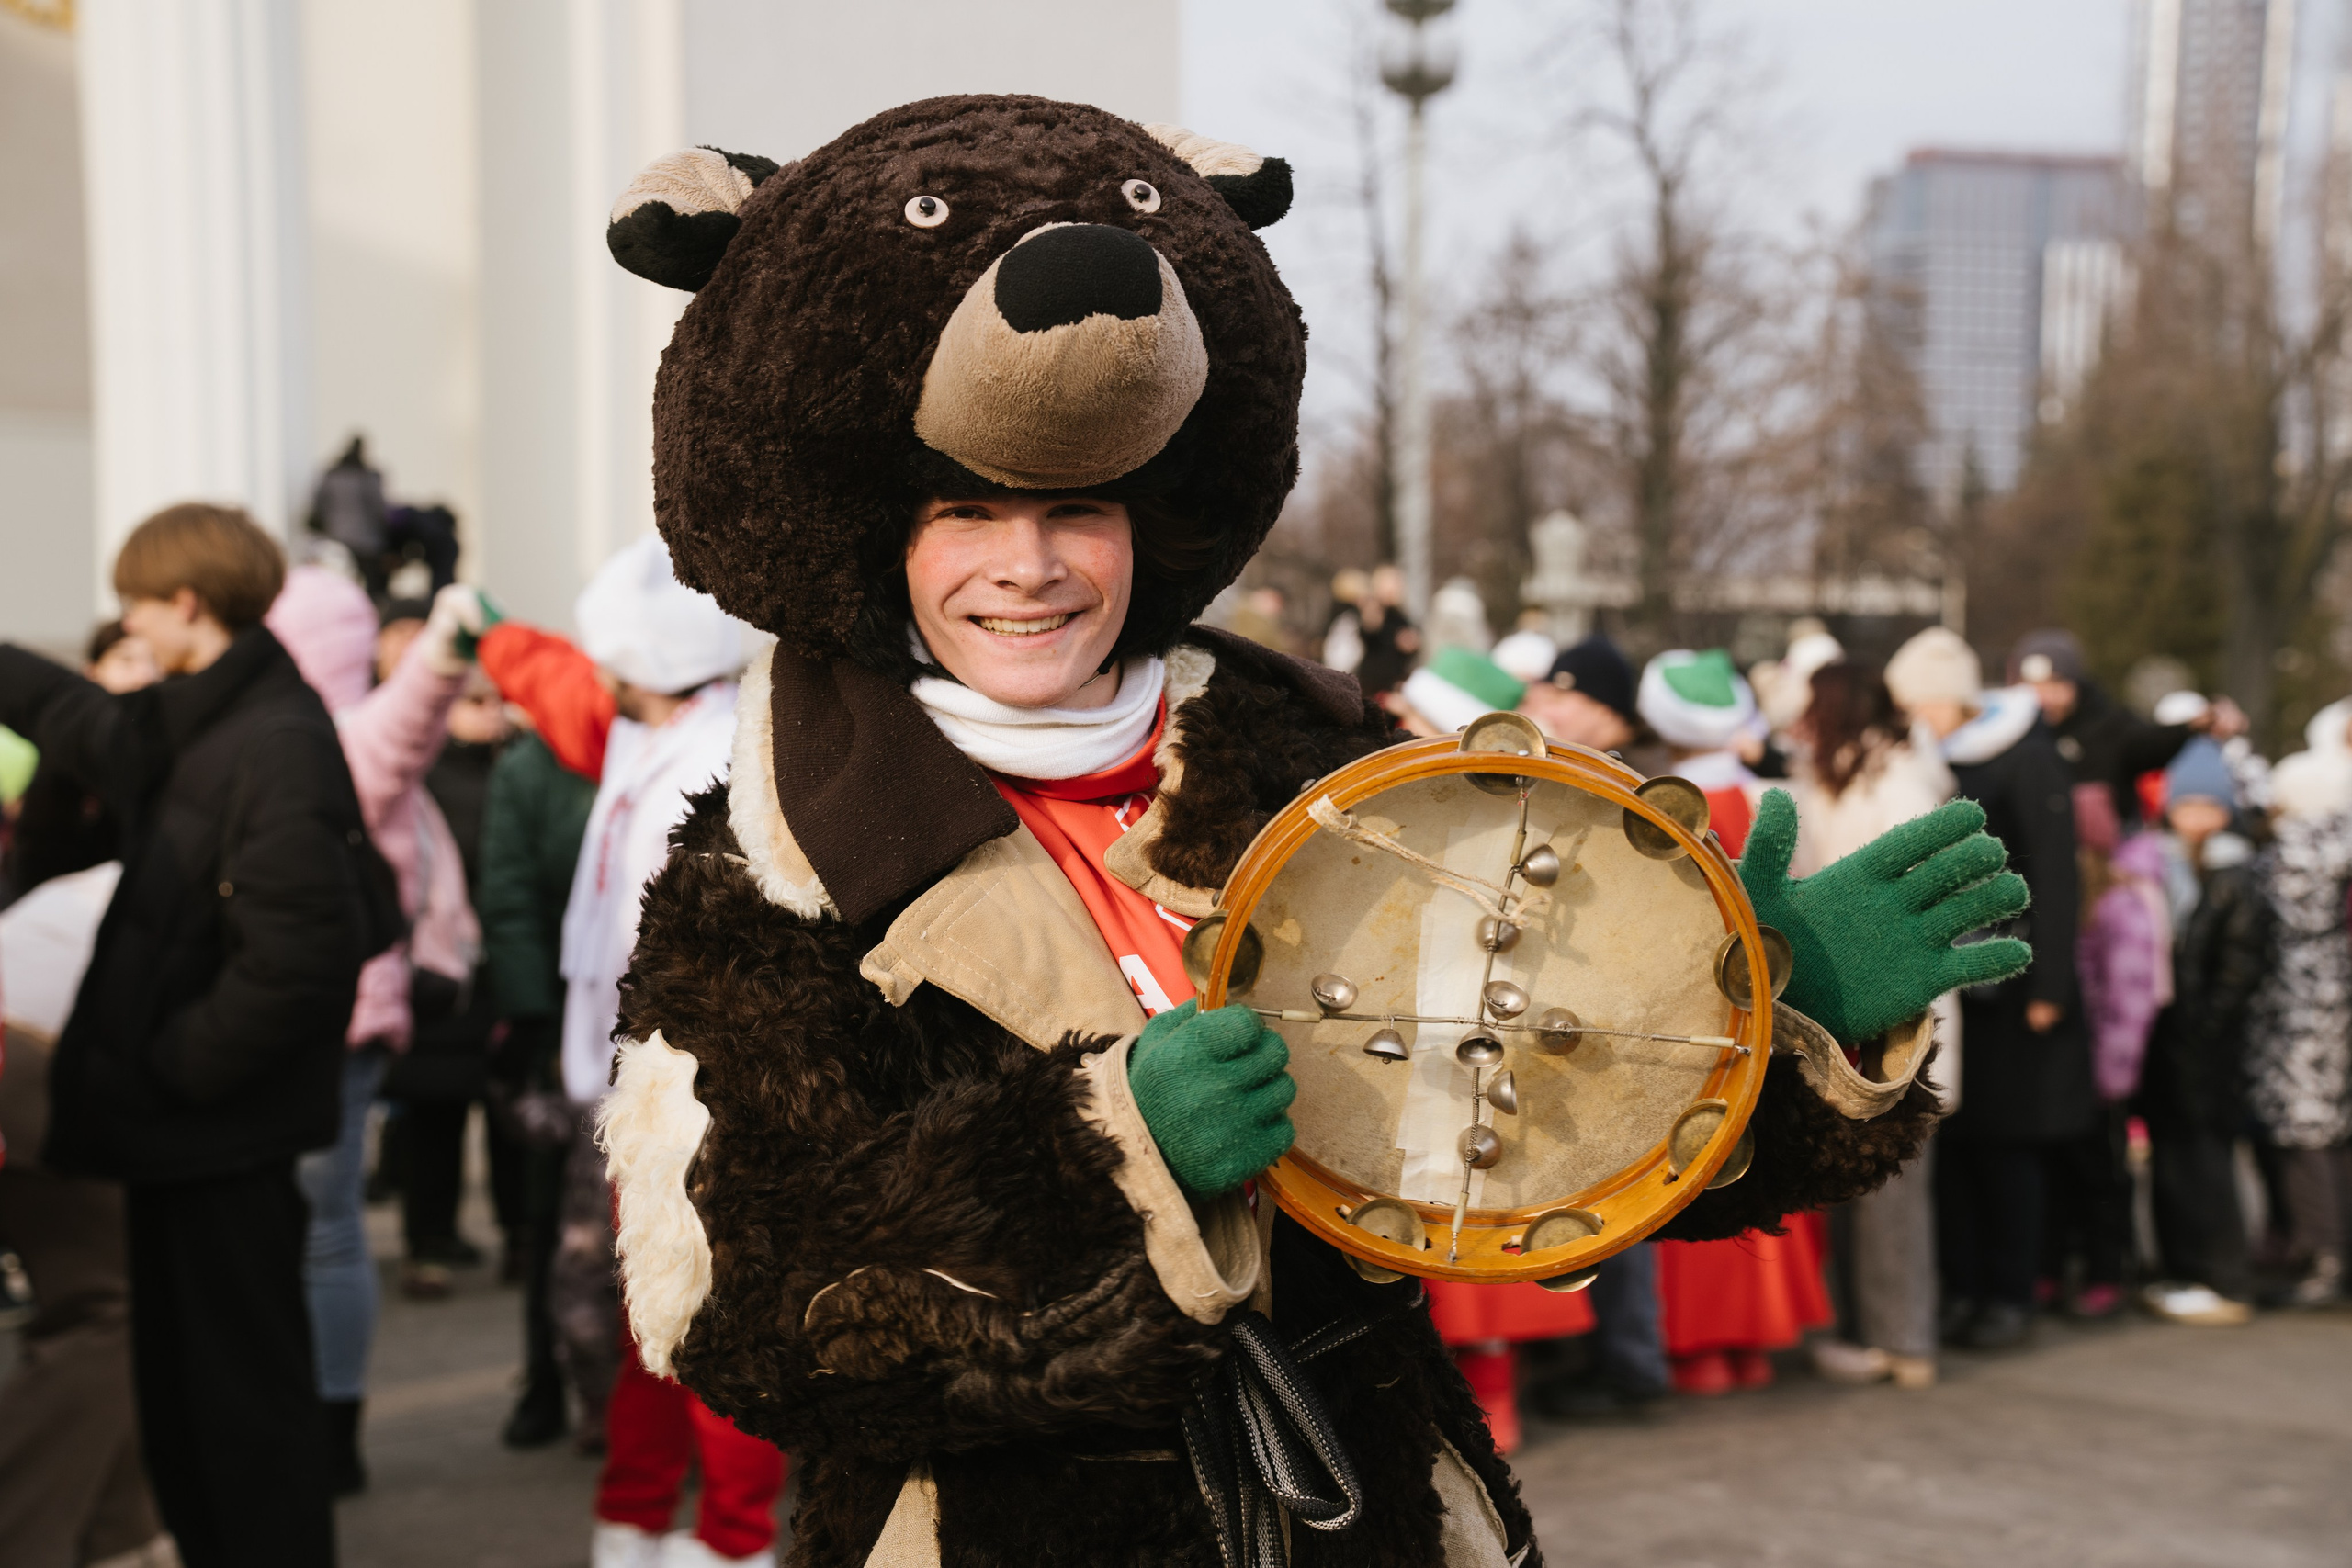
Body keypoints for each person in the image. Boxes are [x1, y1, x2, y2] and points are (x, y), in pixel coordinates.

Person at [588, 100, 2021, 1568]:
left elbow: (1537, 1125)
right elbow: (741, 1306)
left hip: (1358, 1509)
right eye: (968, 511)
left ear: (1146, 521)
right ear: (893, 534)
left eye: (1075, 507)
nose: (1026, 566)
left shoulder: (1333, 768)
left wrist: (1766, 1020)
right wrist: (1110, 1148)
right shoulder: (764, 868)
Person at [0, 502, 393, 1568]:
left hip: (220, 1142)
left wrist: (168, 1070)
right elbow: (86, 725)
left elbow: (302, 956)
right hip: (179, 1142)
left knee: (243, 1430)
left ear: (183, 603)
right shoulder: (203, 718)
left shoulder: (274, 741)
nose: (122, 619)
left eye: (133, 599)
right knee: (188, 1422)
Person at [266, 563, 488, 1491]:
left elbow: (411, 714)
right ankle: (310, 1415)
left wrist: (440, 655)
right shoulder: (305, 734)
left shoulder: (345, 739)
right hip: (313, 1011)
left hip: (336, 1020)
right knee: (312, 1228)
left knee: (322, 1230)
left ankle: (328, 1428)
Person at [0, 638, 169, 1568]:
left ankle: (124, 1535)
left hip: (33, 1033)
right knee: (102, 1313)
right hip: (27, 1052)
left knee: (103, 1308)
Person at [1637, 649, 1834, 1393]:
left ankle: (1698, 1345)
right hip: (1773, 1017)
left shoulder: (1662, 804)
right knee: (1760, 1160)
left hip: (1688, 1021)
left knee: (1695, 1166)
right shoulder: (1772, 801)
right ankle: (1758, 1340)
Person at [1889, 627, 2086, 1351]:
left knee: (2010, 1148)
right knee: (1962, 1145)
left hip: (2016, 979)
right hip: (1956, 983)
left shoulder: (2028, 759)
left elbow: (2059, 878)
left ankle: (2012, 1291)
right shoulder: (1931, 761)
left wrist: (2051, 985)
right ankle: (1965, 1288)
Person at [1783, 661, 1956, 1389]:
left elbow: (1922, 891)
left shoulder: (1895, 785)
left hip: (1895, 999)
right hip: (1857, 1000)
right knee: (1863, 1170)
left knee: (1894, 1174)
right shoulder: (1846, 779)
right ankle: (1876, 1331)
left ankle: (1905, 1337)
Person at [476, 692, 600, 1448]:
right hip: (565, 1014)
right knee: (551, 1212)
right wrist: (530, 1019)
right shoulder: (532, 767)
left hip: (672, 1006)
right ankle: (546, 1380)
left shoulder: (686, 739)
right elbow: (510, 896)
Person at [2138, 741, 2267, 1325]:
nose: (2194, 816)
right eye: (2183, 804)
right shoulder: (2159, 867)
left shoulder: (2236, 874)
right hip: (2167, 1041)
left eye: (2205, 805)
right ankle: (2181, 1269)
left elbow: (2241, 966)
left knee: (2207, 1160)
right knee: (2170, 1157)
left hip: (2209, 1047)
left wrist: (2206, 1023)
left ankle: (2224, 1275)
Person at [2245, 725, 2352, 1308]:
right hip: (2332, 995)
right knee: (2331, 1130)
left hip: (2298, 1005)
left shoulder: (2296, 850)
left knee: (2305, 1131)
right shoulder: (2340, 842)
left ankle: (2324, 1260)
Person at [2049, 784, 2165, 1320]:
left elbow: (2131, 994)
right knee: (2062, 1169)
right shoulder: (2067, 895)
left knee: (2103, 1174)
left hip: (2099, 1069)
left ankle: (2106, 1271)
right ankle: (2063, 1264)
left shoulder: (2120, 903)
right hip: (2066, 1066)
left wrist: (2111, 1073)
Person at [2008, 628, 2235, 829]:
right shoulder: (2010, 733)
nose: (2043, 696)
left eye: (2055, 684)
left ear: (2076, 684)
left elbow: (2150, 743)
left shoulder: (2108, 724)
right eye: (2032, 685)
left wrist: (2191, 727)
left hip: (2108, 853)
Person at [0, 623, 158, 908]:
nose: (143, 675)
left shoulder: (166, 754)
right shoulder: (60, 747)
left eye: (154, 661)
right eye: (126, 660)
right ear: (92, 672)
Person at [1519, 635, 1640, 756]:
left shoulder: (1641, 773)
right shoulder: (1593, 767)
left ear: (1603, 710)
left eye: (1557, 700)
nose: (1544, 713)